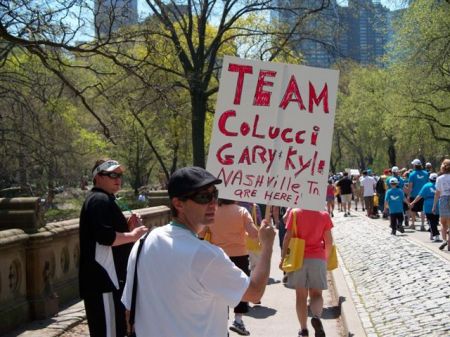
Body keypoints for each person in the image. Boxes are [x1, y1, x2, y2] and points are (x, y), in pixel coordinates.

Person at [121, 166, 276, 337]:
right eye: (203, 196)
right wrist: (267, 246)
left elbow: (129, 309)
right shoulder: (206, 255)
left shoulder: (142, 243)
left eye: (214, 194)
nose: (213, 203)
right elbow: (254, 293)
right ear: (178, 203)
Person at [79, 159, 148, 337]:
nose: (117, 178)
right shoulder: (99, 200)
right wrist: (134, 235)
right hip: (103, 281)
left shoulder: (105, 199)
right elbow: (105, 237)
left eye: (119, 175)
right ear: (98, 177)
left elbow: (106, 233)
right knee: (108, 332)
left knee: (115, 330)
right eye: (112, 174)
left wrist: (128, 227)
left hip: (108, 281)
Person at [208, 198, 259, 335]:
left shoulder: (212, 212)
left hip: (218, 255)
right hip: (240, 255)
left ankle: (221, 323)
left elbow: (201, 234)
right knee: (241, 287)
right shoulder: (242, 211)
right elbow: (253, 233)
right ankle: (238, 320)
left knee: (219, 288)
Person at [280, 208, 333, 337]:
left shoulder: (295, 213)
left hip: (298, 258)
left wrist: (283, 259)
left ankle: (303, 330)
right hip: (318, 258)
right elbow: (329, 241)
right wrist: (325, 259)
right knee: (316, 294)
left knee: (301, 296)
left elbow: (287, 237)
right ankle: (316, 317)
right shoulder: (324, 214)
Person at [411, 173, 441, 242]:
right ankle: (432, 233)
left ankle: (436, 235)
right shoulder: (439, 185)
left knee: (431, 220)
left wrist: (413, 202)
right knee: (435, 220)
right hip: (438, 203)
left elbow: (420, 195)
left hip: (428, 204)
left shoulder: (426, 186)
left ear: (429, 179)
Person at [433, 159, 450, 251]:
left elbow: (437, 193)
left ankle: (444, 240)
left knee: (443, 223)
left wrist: (434, 205)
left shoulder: (440, 178)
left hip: (443, 199)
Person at [408, 159, 429, 231]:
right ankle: (422, 225)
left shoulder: (412, 174)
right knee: (423, 210)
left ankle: (413, 224)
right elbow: (427, 184)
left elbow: (410, 186)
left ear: (414, 165)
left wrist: (408, 195)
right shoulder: (426, 173)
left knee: (413, 210)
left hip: (414, 195)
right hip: (424, 195)